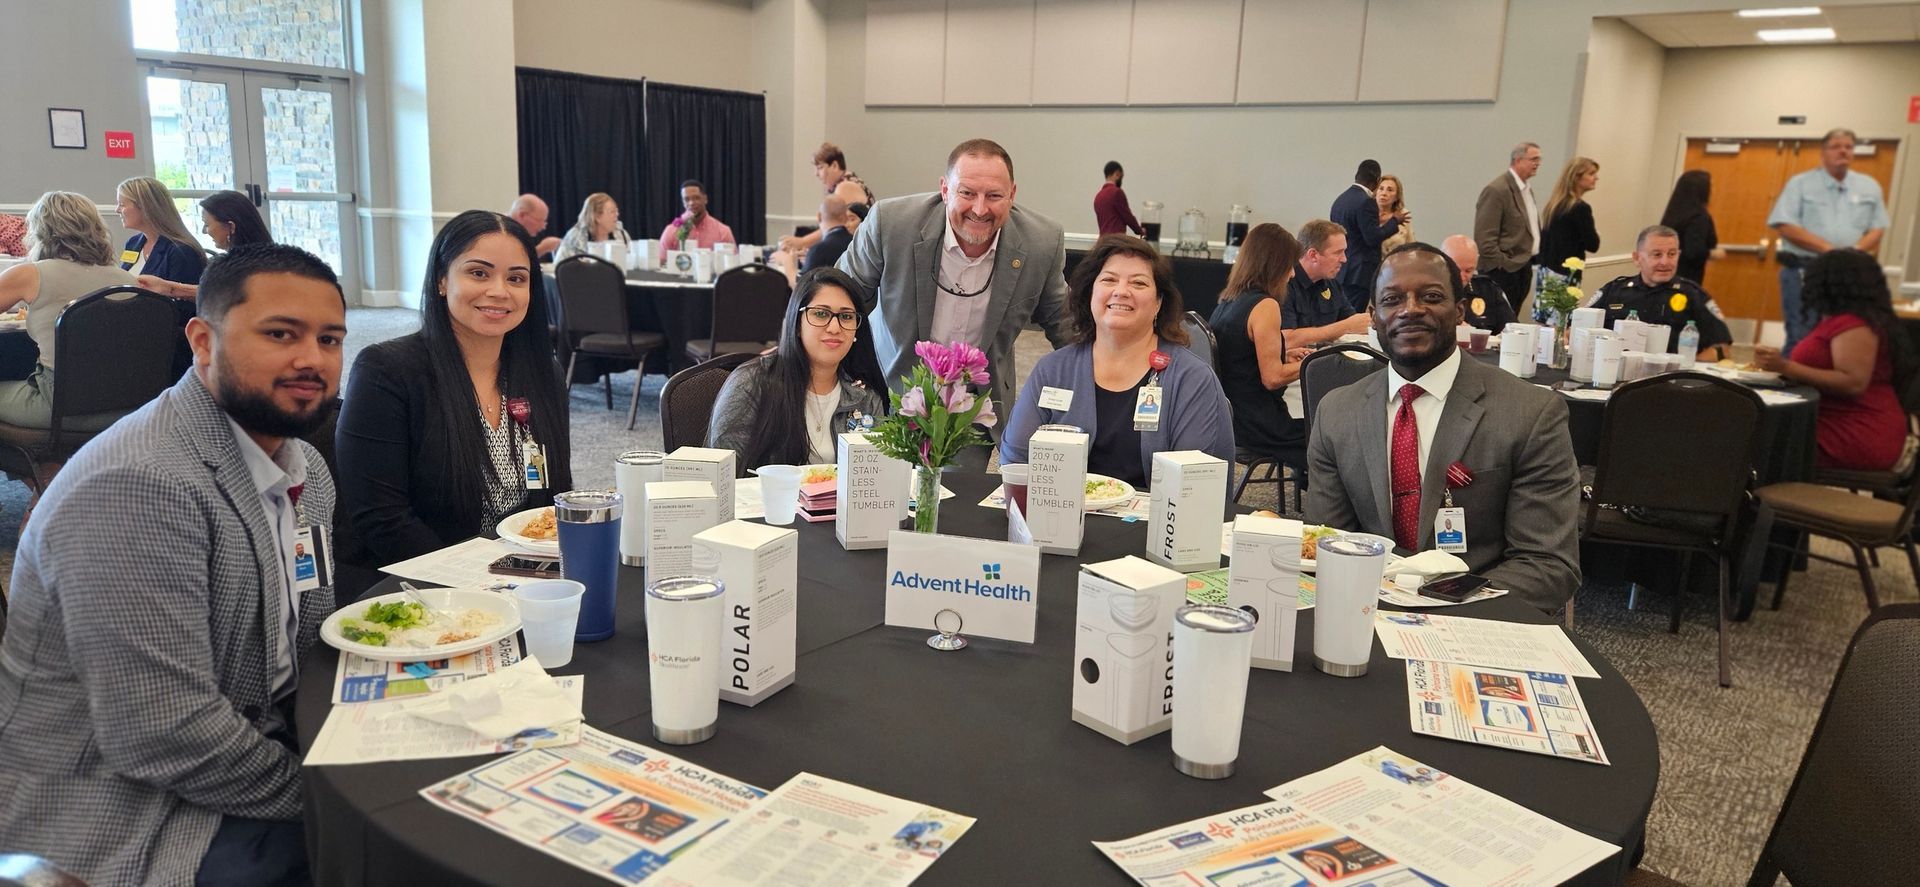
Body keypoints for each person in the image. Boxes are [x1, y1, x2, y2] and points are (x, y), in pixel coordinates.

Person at [0, 242, 346, 886]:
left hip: (251, 743)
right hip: (122, 802)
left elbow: (306, 632)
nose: (311, 359)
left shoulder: (307, 471)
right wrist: (334, 800)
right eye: (280, 333)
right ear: (202, 340)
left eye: (329, 339)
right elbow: (164, 734)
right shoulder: (139, 484)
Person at [1306, 243, 1581, 614]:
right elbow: (1329, 544)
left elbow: (1548, 565)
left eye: (1431, 297)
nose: (1411, 310)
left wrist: (1433, 606)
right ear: (1373, 316)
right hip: (1367, 612)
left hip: (1480, 618)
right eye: (1392, 299)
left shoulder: (1530, 413)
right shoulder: (1337, 412)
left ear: (1459, 312)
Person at [336, 210, 571, 566]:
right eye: (479, 273)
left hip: (526, 571)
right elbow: (383, 520)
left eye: (516, 278)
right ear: (442, 280)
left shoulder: (542, 374)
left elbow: (555, 496)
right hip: (425, 584)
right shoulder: (387, 372)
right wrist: (480, 576)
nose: (499, 291)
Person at [838, 138, 1070, 431]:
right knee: (886, 477)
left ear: (1012, 194)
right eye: (967, 193)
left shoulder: (1042, 243)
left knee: (960, 480)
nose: (980, 209)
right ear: (945, 190)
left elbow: (1066, 324)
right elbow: (838, 297)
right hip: (891, 391)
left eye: (995, 196)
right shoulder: (891, 224)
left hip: (973, 408)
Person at [1002, 234, 1232, 488]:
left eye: (1139, 283)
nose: (1121, 291)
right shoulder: (1053, 371)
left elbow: (1194, 485)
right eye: (1109, 280)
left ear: (1158, 303)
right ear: (1090, 294)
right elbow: (1015, 460)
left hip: (1156, 524)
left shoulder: (1192, 379)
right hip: (1059, 519)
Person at [707, 267, 888, 468]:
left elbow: (875, 480)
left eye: (846, 317)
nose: (834, 328)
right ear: (797, 324)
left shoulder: (866, 399)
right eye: (821, 314)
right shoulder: (751, 384)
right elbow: (724, 477)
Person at [1754, 249, 1907, 471]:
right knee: (1753, 435)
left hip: (1856, 431)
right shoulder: (1840, 320)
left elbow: (1853, 382)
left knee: (1752, 443)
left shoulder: (1854, 323)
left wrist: (1786, 366)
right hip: (1839, 423)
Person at [0, 191, 136, 430]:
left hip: (59, 404)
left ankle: (42, 464)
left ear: (41, 231)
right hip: (127, 405)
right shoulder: (127, 279)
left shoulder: (31, 274)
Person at [1768, 128, 1889, 349]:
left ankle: (1828, 383)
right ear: (1823, 153)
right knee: (1802, 335)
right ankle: (1795, 381)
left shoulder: (1868, 186)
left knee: (1843, 334)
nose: (1843, 151)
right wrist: (1831, 250)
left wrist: (1853, 253)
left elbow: (1878, 227)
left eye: (1848, 147)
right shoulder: (1801, 184)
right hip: (1806, 269)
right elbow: (1784, 224)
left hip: (1849, 273)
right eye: (1836, 146)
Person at [1210, 223, 1315, 465]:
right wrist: (1313, 363)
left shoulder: (1228, 299)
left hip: (1231, 418)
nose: (1292, 274)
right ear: (1274, 265)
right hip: (1259, 425)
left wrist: (1283, 354)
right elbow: (1273, 378)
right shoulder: (1266, 306)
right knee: (1329, 437)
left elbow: (1238, 357)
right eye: (1289, 265)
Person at [1593, 225, 1733, 361]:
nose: (1665, 262)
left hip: (1671, 379)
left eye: (1671, 254)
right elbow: (1576, 330)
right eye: (1657, 255)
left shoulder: (1693, 295)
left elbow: (1723, 348)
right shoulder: (1614, 291)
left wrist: (1688, 367)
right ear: (1636, 258)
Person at [138, 190, 273, 299]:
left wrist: (169, 288)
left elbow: (230, 295)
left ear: (231, 227)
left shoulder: (251, 268)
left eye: (207, 225)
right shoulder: (270, 260)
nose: (204, 231)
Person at [1473, 142, 1544, 313]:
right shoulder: (1497, 190)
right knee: (1500, 320)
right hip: (1504, 271)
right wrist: (1504, 264)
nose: (1538, 163)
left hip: (1523, 267)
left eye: (1539, 159)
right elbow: (1484, 239)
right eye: (1533, 159)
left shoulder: (1525, 189)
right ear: (1517, 160)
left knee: (1513, 318)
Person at [1279, 219, 1371, 347]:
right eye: (1338, 253)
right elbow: (1287, 340)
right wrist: (1345, 327)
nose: (1344, 259)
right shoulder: (1284, 285)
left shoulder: (1331, 284)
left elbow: (1353, 321)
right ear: (1313, 255)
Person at [1331, 159, 1407, 311]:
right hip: (1360, 272)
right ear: (1377, 181)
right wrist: (1394, 222)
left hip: (1343, 269)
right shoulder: (1367, 202)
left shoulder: (1340, 200)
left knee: (1341, 314)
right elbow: (1371, 238)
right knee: (1353, 317)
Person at [115, 175, 207, 295]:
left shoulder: (181, 251)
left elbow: (184, 306)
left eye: (122, 204)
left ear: (144, 207)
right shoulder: (133, 243)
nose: (117, 210)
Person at [777, 143, 873, 253]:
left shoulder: (845, 186)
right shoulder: (849, 182)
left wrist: (801, 242)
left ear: (834, 166)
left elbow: (833, 224)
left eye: (820, 168)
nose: (816, 174)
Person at [1440, 234, 1517, 332]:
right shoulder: (1429, 292)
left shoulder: (1488, 291)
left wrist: (1474, 334)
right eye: (1456, 270)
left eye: (1468, 271)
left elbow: (1512, 331)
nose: (1462, 277)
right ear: (1442, 263)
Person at [1538, 157, 1600, 273]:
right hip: (1567, 274)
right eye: (1591, 174)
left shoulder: (1554, 205)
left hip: (1547, 271)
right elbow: (1593, 245)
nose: (1596, 178)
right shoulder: (1580, 208)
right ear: (1576, 177)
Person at [1660, 170, 1721, 286]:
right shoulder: (1698, 217)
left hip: (1663, 273)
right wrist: (1713, 253)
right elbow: (1693, 252)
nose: (1713, 190)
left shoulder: (1674, 212)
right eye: (1711, 186)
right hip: (1686, 277)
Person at [659, 180, 737, 251]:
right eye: (687, 199)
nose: (691, 203)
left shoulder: (722, 231)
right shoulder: (671, 230)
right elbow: (661, 262)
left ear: (705, 199)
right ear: (683, 202)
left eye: (696, 198)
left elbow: (733, 263)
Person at [555, 192, 630, 263]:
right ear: (597, 217)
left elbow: (630, 262)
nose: (617, 214)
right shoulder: (576, 236)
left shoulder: (621, 234)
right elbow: (560, 268)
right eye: (612, 212)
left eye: (617, 211)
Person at [1094, 160, 1144, 236]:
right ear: (1117, 174)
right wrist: (1140, 231)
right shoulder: (1117, 192)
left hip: (1102, 242)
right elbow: (1127, 216)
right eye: (1121, 176)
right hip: (1116, 241)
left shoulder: (1098, 196)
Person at [507, 193, 564, 258]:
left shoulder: (522, 233)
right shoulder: (502, 231)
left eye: (544, 221)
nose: (543, 227)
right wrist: (542, 249)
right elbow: (514, 262)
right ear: (522, 215)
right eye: (539, 220)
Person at [1377, 174, 1414, 254]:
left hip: (1398, 263)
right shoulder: (1367, 214)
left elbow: (1411, 245)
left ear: (1397, 196)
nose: (1384, 193)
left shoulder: (1403, 215)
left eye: (1389, 190)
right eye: (1381, 189)